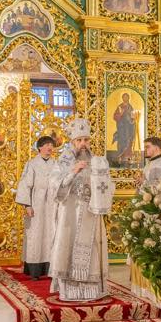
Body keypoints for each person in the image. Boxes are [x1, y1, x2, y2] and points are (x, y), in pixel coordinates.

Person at [49, 118, 110, 301]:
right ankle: (69, 289)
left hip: (91, 212)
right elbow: (54, 185)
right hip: (70, 212)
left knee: (92, 250)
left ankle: (92, 289)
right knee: (68, 246)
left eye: (86, 140)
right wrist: (73, 171)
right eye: (79, 140)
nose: (83, 144)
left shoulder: (97, 162)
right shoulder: (64, 161)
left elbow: (107, 185)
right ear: (72, 142)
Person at [15, 136, 59, 279]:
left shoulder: (56, 164)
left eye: (51, 145)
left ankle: (51, 269)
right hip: (36, 204)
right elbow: (24, 185)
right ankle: (35, 271)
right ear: (39, 147)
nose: (49, 147)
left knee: (52, 234)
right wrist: (27, 205)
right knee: (36, 234)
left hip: (53, 204)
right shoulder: (32, 164)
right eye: (46, 145)